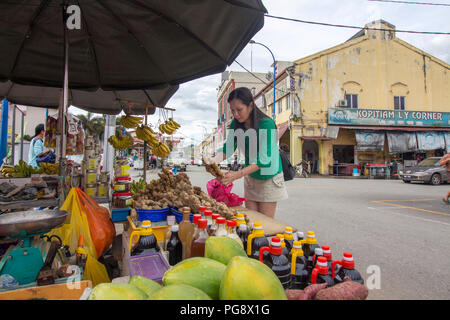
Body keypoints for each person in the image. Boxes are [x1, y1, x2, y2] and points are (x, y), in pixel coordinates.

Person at [211, 87, 288, 219]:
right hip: (251, 178)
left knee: (264, 225)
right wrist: (213, 162)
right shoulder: (236, 123)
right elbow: (228, 148)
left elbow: (264, 160)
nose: (235, 114)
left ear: (251, 106)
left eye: (239, 110)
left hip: (269, 178)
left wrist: (237, 174)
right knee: (251, 222)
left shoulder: (267, 124)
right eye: (232, 111)